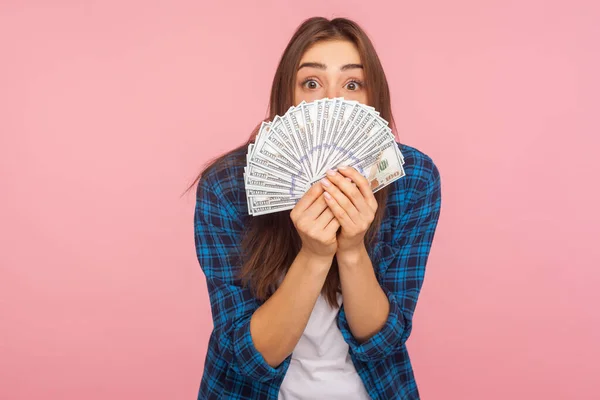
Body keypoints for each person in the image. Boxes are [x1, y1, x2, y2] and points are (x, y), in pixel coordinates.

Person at [189, 16, 442, 400]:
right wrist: (315, 254)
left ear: (374, 100)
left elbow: (381, 342)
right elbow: (251, 357)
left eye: (352, 84)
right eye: (311, 83)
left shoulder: (413, 179)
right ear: (285, 99)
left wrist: (353, 250)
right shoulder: (227, 186)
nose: (332, 101)